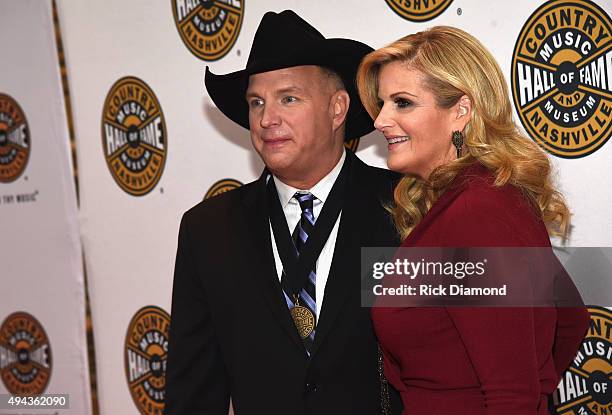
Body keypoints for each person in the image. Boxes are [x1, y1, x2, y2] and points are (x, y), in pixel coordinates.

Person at [165, 10, 402, 415]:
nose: (266, 119)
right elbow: (193, 394)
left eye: (288, 98)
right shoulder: (207, 230)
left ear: (337, 108)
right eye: (256, 102)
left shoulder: (404, 207)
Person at [356, 26, 591, 415]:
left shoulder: (476, 212)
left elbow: (511, 393)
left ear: (460, 112)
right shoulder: (477, 198)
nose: (380, 120)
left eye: (402, 103)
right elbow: (572, 320)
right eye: (382, 104)